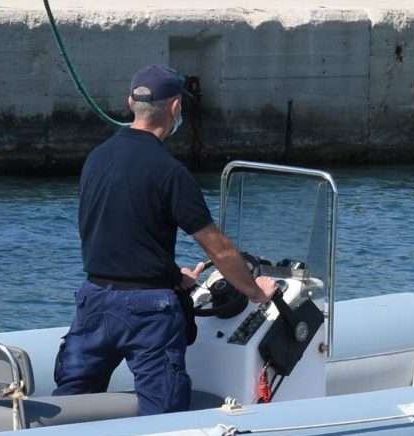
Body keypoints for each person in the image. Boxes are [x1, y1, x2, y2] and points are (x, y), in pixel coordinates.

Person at [53, 64, 277, 415]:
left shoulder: (95, 160)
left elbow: (117, 232)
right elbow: (217, 247)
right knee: (164, 413)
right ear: (175, 109)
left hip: (93, 302)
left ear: (131, 102)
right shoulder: (170, 171)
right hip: (148, 313)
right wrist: (255, 291)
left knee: (69, 402)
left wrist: (175, 279)